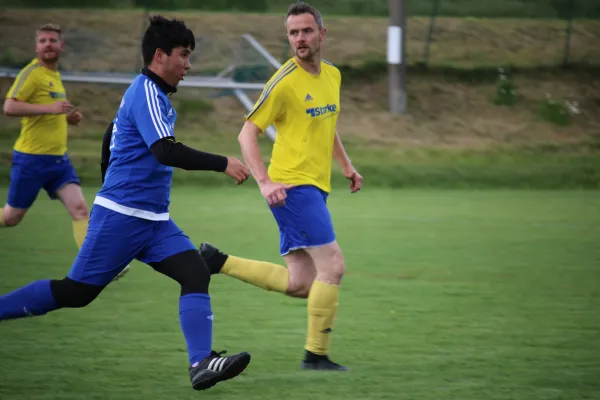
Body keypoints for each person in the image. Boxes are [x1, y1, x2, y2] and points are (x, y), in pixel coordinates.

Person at [0, 16, 253, 391]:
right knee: (75, 293)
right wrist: (223, 162)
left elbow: (111, 134)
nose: (188, 65)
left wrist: (110, 179)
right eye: (183, 55)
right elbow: (165, 151)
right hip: (123, 218)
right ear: (159, 55)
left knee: (195, 273)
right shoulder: (147, 92)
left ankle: (201, 362)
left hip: (153, 220)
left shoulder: (152, 95)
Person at [199, 1, 363, 371]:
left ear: (322, 34)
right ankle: (315, 357)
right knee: (333, 265)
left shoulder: (332, 76)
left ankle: (217, 261)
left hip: (315, 188)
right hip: (291, 188)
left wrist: (347, 166)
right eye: (293, 33)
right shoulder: (284, 81)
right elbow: (247, 133)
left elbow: (328, 125)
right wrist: (265, 182)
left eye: (306, 31)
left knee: (301, 283)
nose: (300, 39)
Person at [2, 23, 89, 251]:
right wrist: (51, 109)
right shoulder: (31, 74)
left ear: (61, 46)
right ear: (36, 47)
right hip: (32, 160)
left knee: (80, 209)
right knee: (11, 218)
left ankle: (95, 267)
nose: (48, 44)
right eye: (43, 41)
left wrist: (69, 117)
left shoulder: (54, 76)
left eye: (52, 40)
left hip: (58, 161)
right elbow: (10, 107)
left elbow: (53, 110)